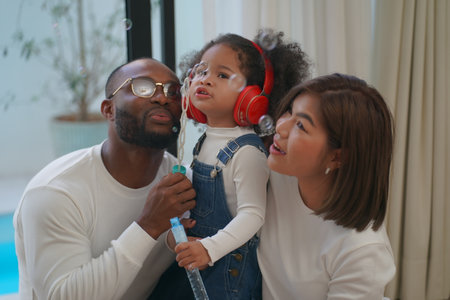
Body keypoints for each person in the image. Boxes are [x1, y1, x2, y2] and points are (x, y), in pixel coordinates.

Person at [13, 58, 196, 300]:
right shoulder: (56, 192)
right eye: (143, 87)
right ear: (108, 110)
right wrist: (149, 225)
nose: (162, 98)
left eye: (173, 91)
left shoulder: (182, 183)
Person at [150, 29, 310, 299]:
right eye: (201, 71)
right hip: (197, 264)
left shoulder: (246, 151)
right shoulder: (204, 142)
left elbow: (253, 215)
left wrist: (208, 249)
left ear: (253, 97)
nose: (206, 79)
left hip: (226, 279)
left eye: (222, 75)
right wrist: (176, 231)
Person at [258, 73, 396, 299]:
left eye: (301, 125)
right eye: (289, 112)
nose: (280, 127)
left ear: (337, 157)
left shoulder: (362, 250)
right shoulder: (277, 174)